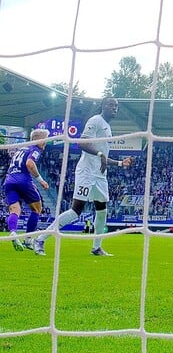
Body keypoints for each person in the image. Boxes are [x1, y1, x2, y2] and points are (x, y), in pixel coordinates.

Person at [34, 97, 134, 257]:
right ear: (103, 106)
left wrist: (121, 163)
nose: (114, 108)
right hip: (87, 173)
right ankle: (40, 239)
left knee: (102, 211)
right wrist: (100, 154)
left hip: (100, 175)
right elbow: (81, 143)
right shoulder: (95, 120)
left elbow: (102, 157)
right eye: (111, 105)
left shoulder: (107, 126)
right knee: (76, 211)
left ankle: (96, 247)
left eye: (116, 106)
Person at [4, 128, 51, 251]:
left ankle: (13, 232)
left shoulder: (21, 149)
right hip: (23, 180)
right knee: (37, 209)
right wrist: (41, 180)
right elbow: (30, 164)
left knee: (14, 209)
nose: (45, 143)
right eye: (45, 140)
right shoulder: (35, 149)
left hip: (9, 180)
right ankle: (28, 239)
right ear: (38, 140)